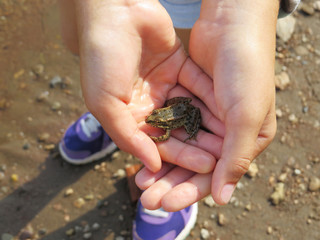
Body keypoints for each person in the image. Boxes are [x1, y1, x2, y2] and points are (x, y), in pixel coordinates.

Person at [58, 0, 300, 239]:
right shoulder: (158, 118)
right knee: (86, 45)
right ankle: (112, 111)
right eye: (154, 119)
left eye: (155, 120)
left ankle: (169, 168)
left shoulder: (163, 124)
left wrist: (243, 13)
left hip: (199, 16)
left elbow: (164, 133)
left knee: (183, 49)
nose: (154, 121)